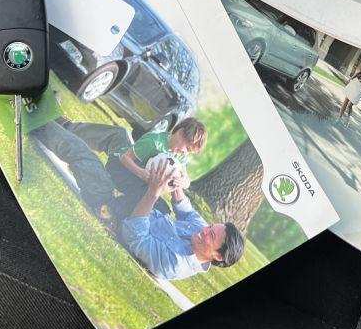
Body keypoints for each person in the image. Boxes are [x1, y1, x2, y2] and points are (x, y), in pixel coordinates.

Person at [120, 157, 245, 281]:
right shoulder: (202, 232)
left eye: (211, 235)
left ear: (218, 256)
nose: (204, 230)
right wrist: (176, 182)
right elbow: (187, 212)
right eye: (210, 226)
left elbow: (135, 236)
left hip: (127, 214)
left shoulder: (174, 264)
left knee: (118, 164)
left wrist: (153, 193)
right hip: (151, 208)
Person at [68, 118, 208, 217]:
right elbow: (125, 158)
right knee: (119, 134)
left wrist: (184, 182)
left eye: (189, 152)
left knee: (161, 207)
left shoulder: (179, 156)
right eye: (187, 148)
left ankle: (115, 210)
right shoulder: (154, 141)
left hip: (137, 179)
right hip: (120, 167)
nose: (185, 153)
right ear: (180, 133)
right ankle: (107, 208)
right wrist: (142, 173)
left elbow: (186, 179)